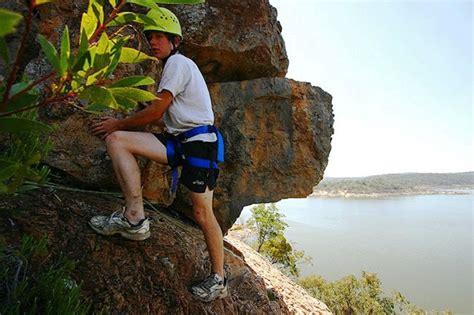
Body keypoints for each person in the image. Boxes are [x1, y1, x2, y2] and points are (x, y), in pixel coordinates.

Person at [88, 8, 227, 303]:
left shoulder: (177, 62)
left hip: (200, 143)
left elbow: (156, 111)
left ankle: (219, 279)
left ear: (174, 41)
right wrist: (122, 124)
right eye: (150, 37)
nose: (153, 42)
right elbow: (154, 112)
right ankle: (135, 219)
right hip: (179, 141)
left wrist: (118, 121)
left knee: (203, 213)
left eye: (159, 37)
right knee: (118, 140)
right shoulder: (172, 66)